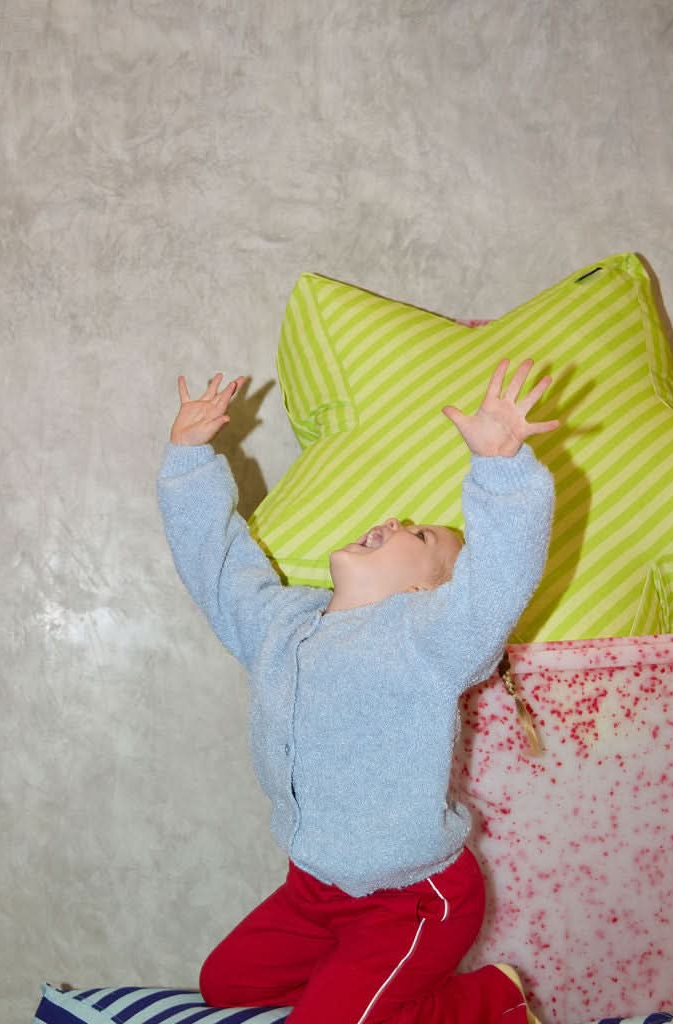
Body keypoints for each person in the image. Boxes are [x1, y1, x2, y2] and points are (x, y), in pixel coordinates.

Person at [157, 359, 557, 1024]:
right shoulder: (282, 625)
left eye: (423, 535)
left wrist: (500, 468)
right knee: (225, 983)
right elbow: (218, 570)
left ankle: (491, 1000)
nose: (397, 520)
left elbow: (497, 584)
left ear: (430, 590)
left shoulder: (429, 638)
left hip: (415, 899)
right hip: (316, 892)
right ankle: (358, 990)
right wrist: (188, 461)